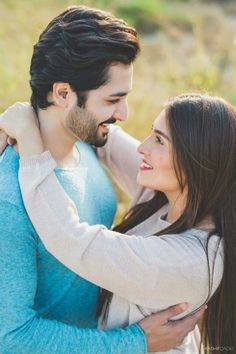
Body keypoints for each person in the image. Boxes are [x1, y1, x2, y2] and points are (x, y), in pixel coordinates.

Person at [0, 5, 203, 354]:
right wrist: (133, 343)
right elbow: (11, 337)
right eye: (113, 100)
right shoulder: (10, 200)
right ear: (63, 94)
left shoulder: (89, 144)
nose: (124, 114)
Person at [1, 93, 234, 354]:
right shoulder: (172, 197)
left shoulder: (190, 260)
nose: (142, 147)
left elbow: (69, 237)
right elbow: (107, 140)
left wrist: (30, 142)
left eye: (159, 140)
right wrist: (38, 114)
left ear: (197, 162)